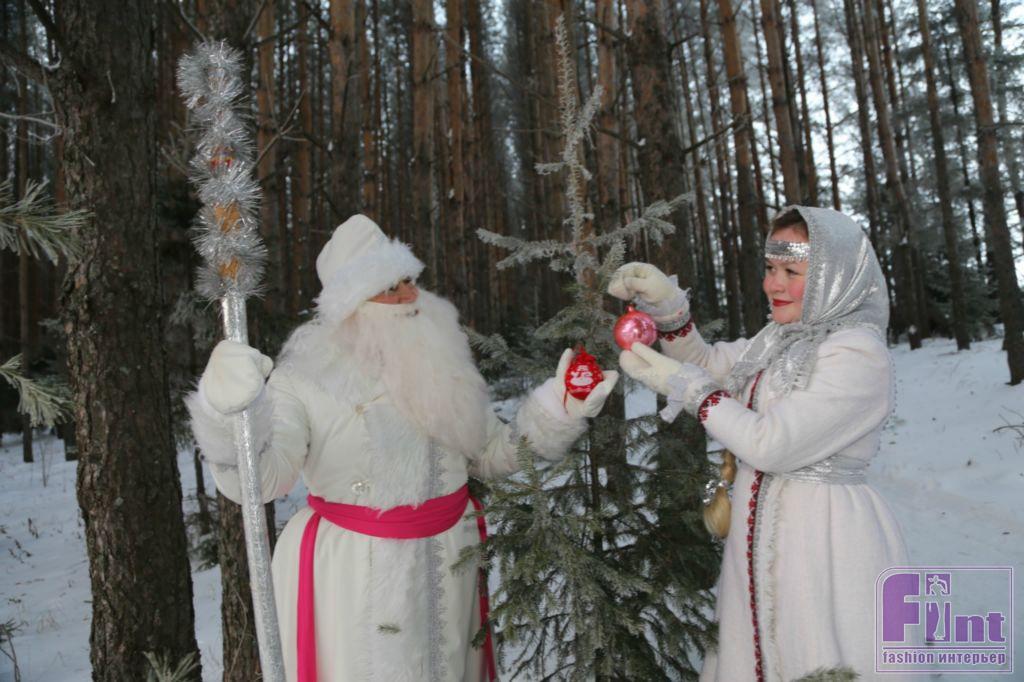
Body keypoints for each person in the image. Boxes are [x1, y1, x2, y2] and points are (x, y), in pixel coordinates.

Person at [187, 214, 618, 682]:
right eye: (390, 288)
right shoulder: (303, 377)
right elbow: (262, 481)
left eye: (409, 280)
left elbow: (492, 453)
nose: (410, 296)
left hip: (447, 561)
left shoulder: (442, 361)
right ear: (353, 304)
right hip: (356, 576)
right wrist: (226, 417)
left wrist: (559, 409)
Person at [609, 206, 908, 681]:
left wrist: (694, 392)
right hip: (758, 540)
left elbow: (770, 444)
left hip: (824, 542)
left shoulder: (857, 354)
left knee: (815, 653)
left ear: (835, 278)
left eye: (793, 271)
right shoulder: (779, 340)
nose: (774, 284)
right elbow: (707, 364)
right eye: (771, 268)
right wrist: (669, 312)